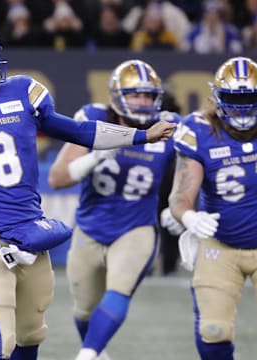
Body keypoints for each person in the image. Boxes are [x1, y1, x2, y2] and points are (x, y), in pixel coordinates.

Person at [0, 22, 175, 360]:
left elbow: (79, 131)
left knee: (31, 334)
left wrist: (141, 136)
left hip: (31, 232)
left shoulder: (21, 91)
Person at [48, 59, 184, 360]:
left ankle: (87, 354)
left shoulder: (169, 124)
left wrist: (180, 206)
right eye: (135, 94)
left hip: (136, 227)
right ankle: (98, 352)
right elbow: (57, 178)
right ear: (116, 95)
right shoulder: (94, 117)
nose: (143, 101)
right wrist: (95, 157)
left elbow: (196, 165)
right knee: (83, 309)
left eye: (149, 95)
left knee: (119, 288)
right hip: (90, 226)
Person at [168, 56, 257, 359]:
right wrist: (189, 216)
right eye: (232, 99)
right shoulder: (199, 130)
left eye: (250, 98)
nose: (241, 108)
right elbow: (179, 197)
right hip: (220, 245)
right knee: (213, 330)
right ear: (217, 98)